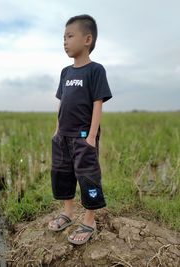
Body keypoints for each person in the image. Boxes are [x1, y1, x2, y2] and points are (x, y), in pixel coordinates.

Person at [48, 14, 112, 245]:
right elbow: (62, 103)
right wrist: (57, 131)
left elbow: (98, 102)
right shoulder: (66, 72)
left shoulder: (95, 70)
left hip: (83, 136)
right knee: (62, 174)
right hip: (63, 136)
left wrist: (92, 136)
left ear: (87, 39)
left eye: (69, 36)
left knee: (88, 177)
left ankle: (89, 219)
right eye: (63, 37)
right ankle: (67, 212)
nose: (64, 41)